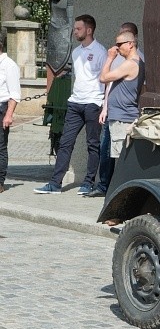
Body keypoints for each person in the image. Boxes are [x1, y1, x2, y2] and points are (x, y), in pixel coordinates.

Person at [35, 14, 107, 195]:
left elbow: (107, 81)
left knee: (93, 144)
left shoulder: (100, 52)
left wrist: (104, 105)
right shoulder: (75, 53)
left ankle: (88, 183)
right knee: (65, 142)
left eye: (78, 29)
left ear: (89, 30)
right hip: (75, 103)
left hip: (93, 103)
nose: (75, 31)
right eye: (75, 29)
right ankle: (55, 184)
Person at [87, 23, 145, 198]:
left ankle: (121, 198)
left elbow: (103, 77)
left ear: (130, 44)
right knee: (116, 158)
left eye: (119, 45)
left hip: (122, 118)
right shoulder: (132, 62)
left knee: (121, 163)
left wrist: (109, 58)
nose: (116, 48)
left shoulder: (132, 63)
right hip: (118, 116)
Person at [0, 36, 22, 193]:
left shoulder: (9, 65)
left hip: (1, 107)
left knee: (0, 147)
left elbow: (14, 93)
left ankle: (0, 182)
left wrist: (9, 114)